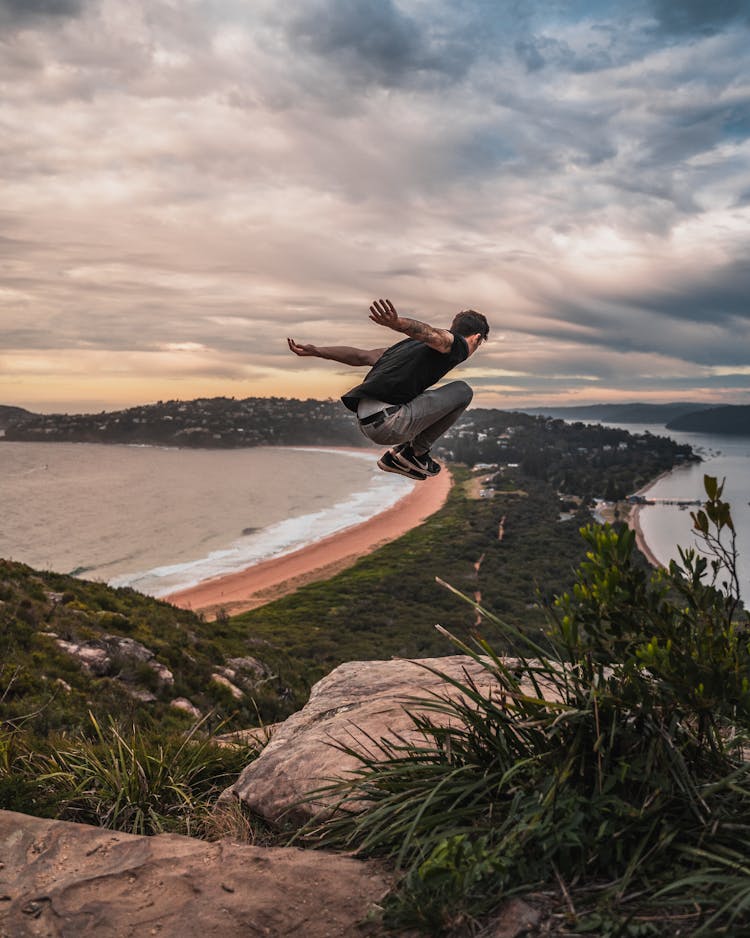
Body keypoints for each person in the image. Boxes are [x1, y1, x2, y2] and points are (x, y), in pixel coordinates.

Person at [287, 298, 489, 480]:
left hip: (369, 422)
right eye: (478, 344)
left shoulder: (406, 347)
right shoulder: (457, 344)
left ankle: (397, 456)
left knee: (427, 394)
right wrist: (398, 323)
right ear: (477, 338)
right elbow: (435, 335)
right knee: (463, 391)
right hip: (389, 424)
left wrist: (319, 351)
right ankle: (416, 453)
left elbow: (361, 356)